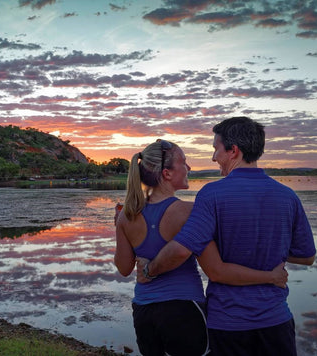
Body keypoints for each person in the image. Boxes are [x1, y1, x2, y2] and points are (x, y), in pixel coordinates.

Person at [137, 117, 316, 356]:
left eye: (216, 149)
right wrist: (270, 252)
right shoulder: (287, 196)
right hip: (277, 322)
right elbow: (307, 257)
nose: (213, 157)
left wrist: (149, 270)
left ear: (234, 151)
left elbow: (182, 250)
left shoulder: (212, 195)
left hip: (228, 323)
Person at [114, 139, 289, 356]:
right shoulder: (189, 212)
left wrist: (120, 227)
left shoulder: (125, 216)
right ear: (167, 174)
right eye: (184, 162)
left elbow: (123, 268)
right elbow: (216, 270)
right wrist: (270, 276)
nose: (189, 167)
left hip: (143, 312)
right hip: (184, 310)